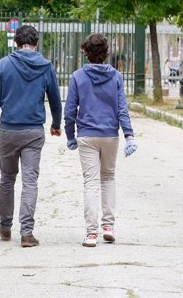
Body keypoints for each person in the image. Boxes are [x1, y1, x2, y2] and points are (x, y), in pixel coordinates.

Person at [0, 25, 62, 248]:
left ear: (16, 43)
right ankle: (27, 232)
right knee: (30, 182)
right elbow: (56, 101)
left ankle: (5, 226)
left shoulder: (4, 64)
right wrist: (56, 124)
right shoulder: (46, 67)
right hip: (33, 132)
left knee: (7, 178)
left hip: (8, 130)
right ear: (36, 44)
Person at [64, 33, 137, 247]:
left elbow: (70, 111)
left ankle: (90, 233)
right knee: (108, 178)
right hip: (110, 135)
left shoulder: (78, 77)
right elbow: (121, 108)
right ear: (106, 53)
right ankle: (108, 226)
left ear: (86, 52)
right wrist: (129, 135)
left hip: (87, 135)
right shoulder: (116, 77)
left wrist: (70, 136)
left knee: (91, 182)